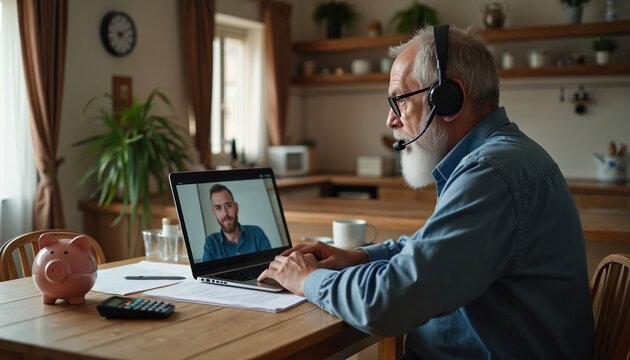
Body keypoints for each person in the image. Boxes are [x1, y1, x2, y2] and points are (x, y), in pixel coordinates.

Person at [259, 25, 594, 359]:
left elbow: (388, 304)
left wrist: (307, 279)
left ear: (448, 100)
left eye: (399, 101)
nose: (391, 120)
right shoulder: (501, 158)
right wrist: (359, 257)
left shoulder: (490, 173)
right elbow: (435, 251)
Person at [202, 184, 271, 261]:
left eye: (228, 205)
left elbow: (271, 265)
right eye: (218, 208)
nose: (225, 213)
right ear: (214, 213)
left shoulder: (257, 233)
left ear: (236, 207)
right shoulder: (211, 243)